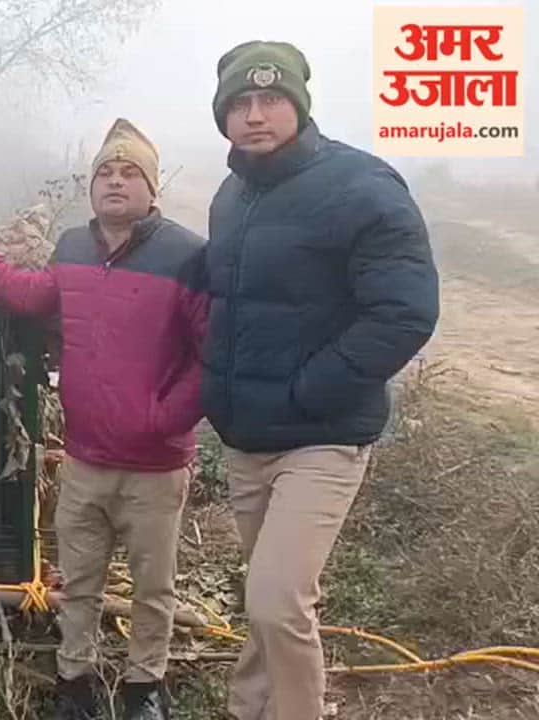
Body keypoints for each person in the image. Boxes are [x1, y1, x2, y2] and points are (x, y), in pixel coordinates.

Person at [203, 41, 439, 720]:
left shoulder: (361, 186)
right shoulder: (232, 194)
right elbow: (224, 302)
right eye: (239, 103)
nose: (255, 116)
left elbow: (405, 312)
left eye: (270, 100)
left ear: (299, 107)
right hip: (247, 436)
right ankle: (249, 708)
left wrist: (310, 391)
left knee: (277, 602)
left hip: (322, 436)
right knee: (264, 599)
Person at [0, 118, 208, 720]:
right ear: (91, 188)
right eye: (105, 173)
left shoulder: (188, 255)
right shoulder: (72, 247)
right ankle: (75, 681)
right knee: (80, 581)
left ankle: (145, 688)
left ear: (153, 187)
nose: (115, 182)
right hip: (86, 459)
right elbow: (33, 295)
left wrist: (165, 418)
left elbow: (213, 353)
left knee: (153, 587)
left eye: (130, 172)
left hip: (155, 465)